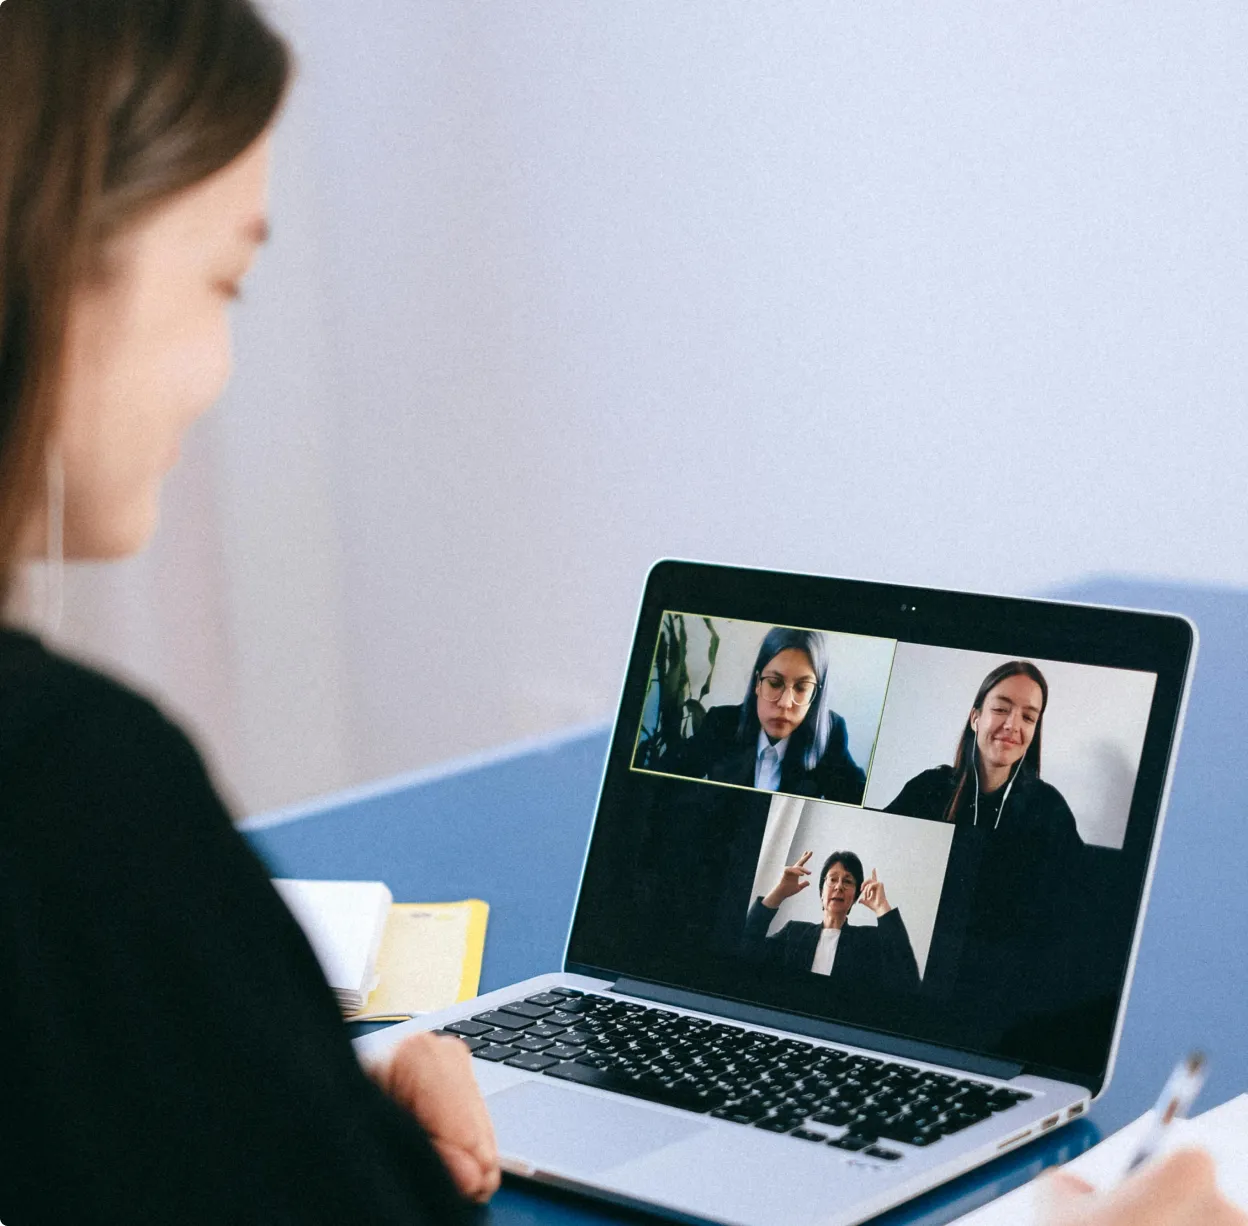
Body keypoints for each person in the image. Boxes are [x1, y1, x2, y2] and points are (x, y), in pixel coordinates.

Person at [0, 2, 498, 1222]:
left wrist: (275, 1094)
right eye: (225, 279)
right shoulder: (74, 789)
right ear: (60, 258)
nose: (222, 367)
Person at [662, 626, 867, 804]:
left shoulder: (831, 736)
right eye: (775, 683)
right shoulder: (721, 723)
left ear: (816, 694)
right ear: (758, 682)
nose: (785, 703)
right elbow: (664, 780)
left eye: (802, 687)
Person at [884, 660, 1080, 841]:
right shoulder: (927, 789)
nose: (1012, 725)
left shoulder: (1050, 809)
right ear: (975, 718)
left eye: (1028, 717)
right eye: (1001, 709)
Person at [743, 850, 920, 993]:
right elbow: (744, 951)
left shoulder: (870, 940)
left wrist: (883, 907)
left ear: (855, 896)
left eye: (848, 881)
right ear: (822, 892)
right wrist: (779, 892)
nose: (839, 886)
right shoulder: (793, 932)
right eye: (833, 879)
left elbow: (908, 982)